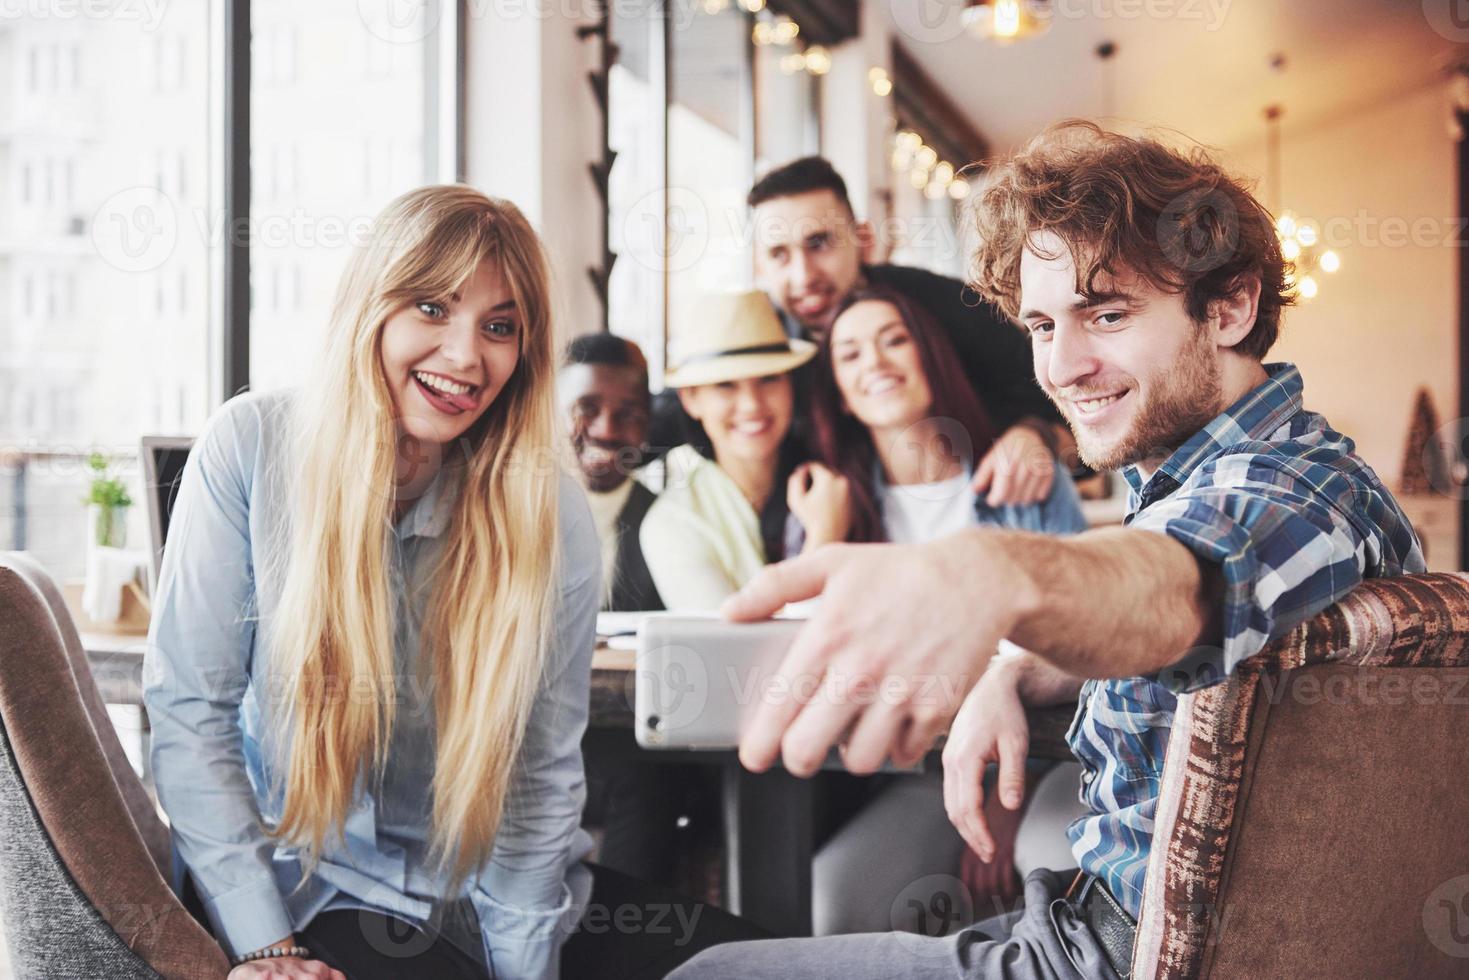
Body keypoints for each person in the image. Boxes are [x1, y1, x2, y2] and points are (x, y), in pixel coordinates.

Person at [670, 121, 1425, 978]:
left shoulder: (1296, 485)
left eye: (1105, 314)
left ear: (1229, 308)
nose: (1063, 366)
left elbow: (1185, 584)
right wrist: (1018, 667)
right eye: (1039, 325)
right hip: (1093, 925)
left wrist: (991, 571)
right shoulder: (1197, 477)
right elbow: (1179, 617)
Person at [145, 185, 757, 980]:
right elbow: (192, 718)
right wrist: (267, 946)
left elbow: (538, 773)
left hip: (497, 896)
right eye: (432, 308)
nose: (468, 356)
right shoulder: (253, 448)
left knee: (760, 960)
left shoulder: (546, 507)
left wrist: (523, 970)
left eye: (499, 327)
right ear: (373, 308)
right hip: (304, 898)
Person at [794, 283, 1088, 936]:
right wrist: (822, 533)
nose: (875, 362)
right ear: (839, 391)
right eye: (849, 354)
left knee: (1049, 871)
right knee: (833, 902)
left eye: (894, 340)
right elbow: (808, 661)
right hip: (922, 769)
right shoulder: (836, 503)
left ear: (932, 357)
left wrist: (1007, 796)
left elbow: (1077, 640)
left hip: (1043, 760)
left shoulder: (1022, 477)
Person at [750, 155, 1065, 508]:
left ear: (864, 240)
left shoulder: (948, 305)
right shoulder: (758, 338)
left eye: (819, 243)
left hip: (988, 504)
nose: (803, 276)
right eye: (779, 254)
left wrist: (1034, 434)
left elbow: (1055, 392)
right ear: (759, 265)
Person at [640, 289, 821, 610]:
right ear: (691, 399)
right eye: (726, 385)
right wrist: (824, 536)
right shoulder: (674, 522)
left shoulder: (835, 481)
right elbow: (729, 649)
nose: (752, 404)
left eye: (768, 379)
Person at [557, 333, 663, 612]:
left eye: (628, 414)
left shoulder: (667, 521)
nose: (606, 430)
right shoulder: (510, 518)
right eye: (585, 409)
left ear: (647, 425)